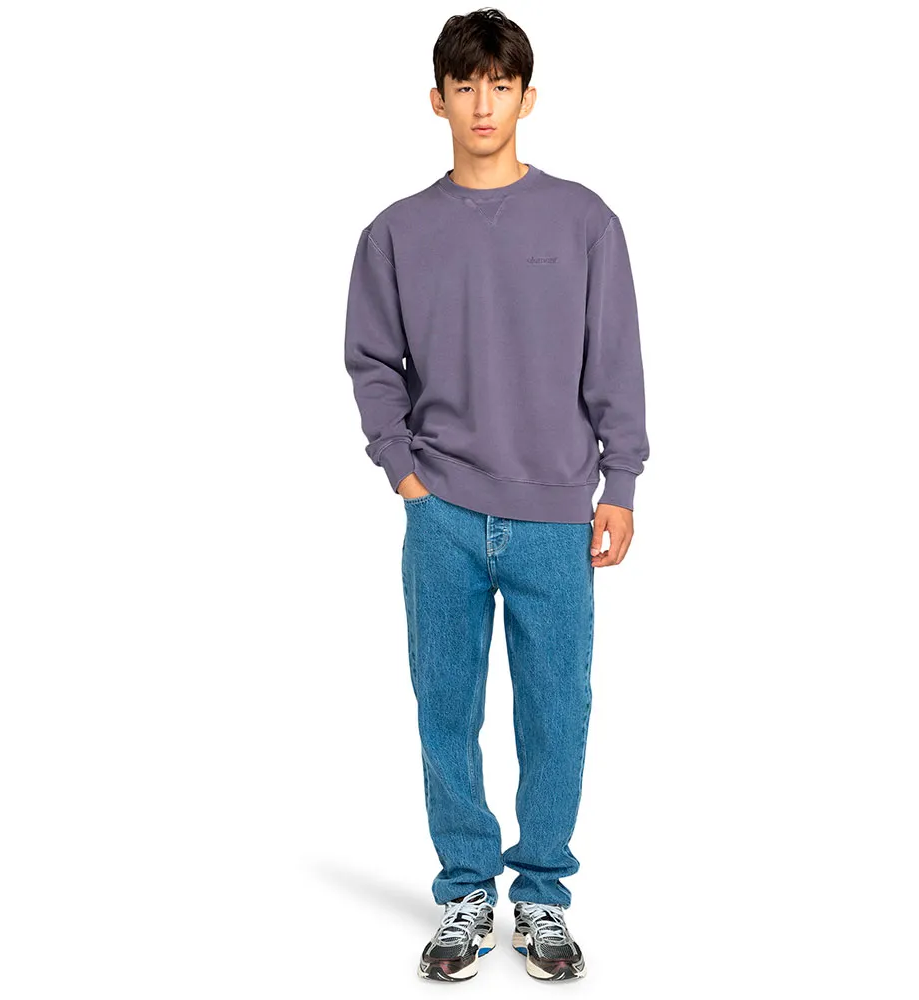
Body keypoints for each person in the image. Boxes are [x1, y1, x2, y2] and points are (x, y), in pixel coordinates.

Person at [343, 7, 649, 983]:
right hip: (440, 510)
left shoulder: (584, 221)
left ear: (527, 97)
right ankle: (465, 891)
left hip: (558, 511)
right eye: (465, 85)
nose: (483, 103)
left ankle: (543, 894)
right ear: (436, 100)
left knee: (558, 712)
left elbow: (614, 358)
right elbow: (371, 361)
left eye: (501, 85)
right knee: (446, 709)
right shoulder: (396, 233)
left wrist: (621, 480)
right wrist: (403, 470)